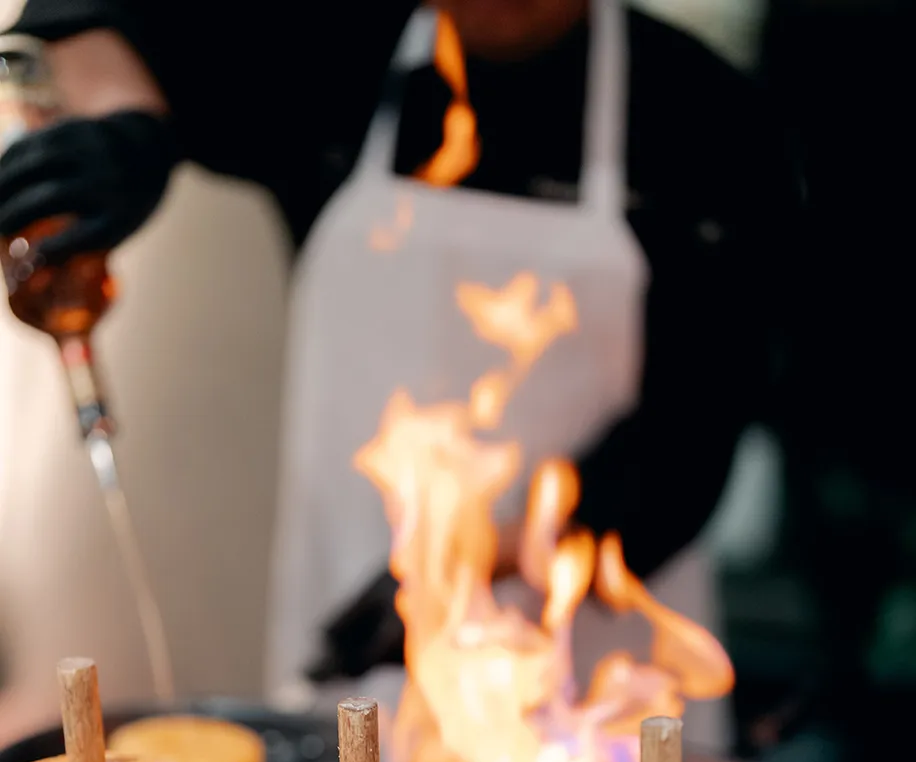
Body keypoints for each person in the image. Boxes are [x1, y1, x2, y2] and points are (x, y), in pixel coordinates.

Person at [0, 1, 797, 711]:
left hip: (599, 660)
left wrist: (458, 565)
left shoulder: (705, 112)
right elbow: (93, 12)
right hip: (353, 644)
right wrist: (122, 117)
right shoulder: (337, 53)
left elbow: (693, 435)